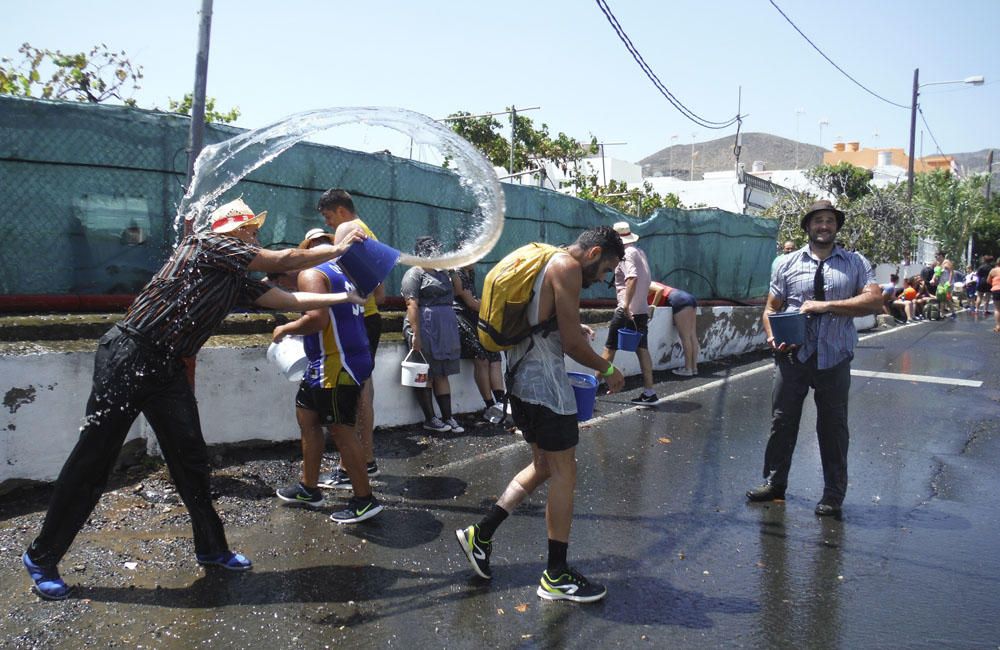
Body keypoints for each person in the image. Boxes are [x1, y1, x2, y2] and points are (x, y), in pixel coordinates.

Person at [22, 198, 368, 600]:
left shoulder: (232, 275)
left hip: (167, 367)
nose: (255, 236)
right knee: (94, 460)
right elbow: (284, 259)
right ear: (231, 230)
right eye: (250, 230)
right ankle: (42, 556)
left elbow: (287, 301)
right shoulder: (207, 244)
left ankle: (212, 548)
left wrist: (342, 299)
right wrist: (339, 249)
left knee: (191, 461)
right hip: (129, 355)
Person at [455, 226, 625, 604]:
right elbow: (572, 345)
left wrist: (568, 326)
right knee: (565, 471)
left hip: (521, 381)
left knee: (545, 466)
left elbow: (541, 318)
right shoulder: (566, 267)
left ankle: (480, 535)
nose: (602, 279)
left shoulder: (546, 256)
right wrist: (609, 370)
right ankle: (556, 575)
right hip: (546, 388)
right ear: (595, 252)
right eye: (606, 268)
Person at [746, 199, 881, 517]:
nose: (824, 226)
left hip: (834, 357)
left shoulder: (855, 262)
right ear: (807, 226)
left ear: (836, 227)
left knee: (833, 427)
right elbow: (771, 309)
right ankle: (774, 483)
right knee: (782, 422)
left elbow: (874, 300)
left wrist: (825, 306)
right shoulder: (786, 263)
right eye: (818, 220)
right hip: (792, 357)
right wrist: (772, 336)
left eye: (830, 221)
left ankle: (833, 494)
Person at [272, 234, 383, 524]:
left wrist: (286, 328)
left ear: (285, 273)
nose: (284, 290)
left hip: (338, 363)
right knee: (307, 416)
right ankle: (309, 488)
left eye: (281, 284)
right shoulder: (337, 268)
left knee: (341, 429)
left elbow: (318, 319)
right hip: (327, 360)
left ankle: (364, 500)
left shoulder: (311, 275)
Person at [314, 190, 385, 490]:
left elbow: (340, 276)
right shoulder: (370, 231)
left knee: (350, 392)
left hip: (356, 318)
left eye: (329, 218)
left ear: (341, 211)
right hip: (371, 317)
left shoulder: (347, 230)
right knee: (363, 389)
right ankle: (365, 460)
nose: (330, 226)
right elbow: (380, 292)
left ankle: (351, 467)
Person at [402, 236, 464, 433]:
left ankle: (448, 417)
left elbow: (458, 290)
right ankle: (431, 418)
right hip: (424, 325)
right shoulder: (414, 273)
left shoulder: (442, 273)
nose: (436, 253)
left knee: (442, 372)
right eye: (432, 250)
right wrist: (416, 334)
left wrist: (452, 268)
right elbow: (411, 304)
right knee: (426, 372)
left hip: (444, 327)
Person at [600, 222, 656, 404]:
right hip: (641, 310)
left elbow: (632, 278)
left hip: (627, 310)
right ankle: (649, 392)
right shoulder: (639, 252)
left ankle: (590, 392)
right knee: (642, 350)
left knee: (609, 350)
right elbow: (646, 281)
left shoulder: (625, 254)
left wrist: (625, 305)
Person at [451, 263, 506, 423]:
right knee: (481, 358)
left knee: (495, 356)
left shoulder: (470, 273)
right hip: (460, 319)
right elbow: (470, 303)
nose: (476, 261)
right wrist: (495, 309)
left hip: (476, 318)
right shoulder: (456, 273)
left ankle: (501, 401)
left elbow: (475, 302)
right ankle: (489, 405)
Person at [648, 281, 700, 376]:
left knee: (685, 337)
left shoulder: (643, 283)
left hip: (679, 300)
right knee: (692, 335)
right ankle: (694, 368)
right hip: (687, 298)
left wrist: (653, 306)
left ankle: (688, 369)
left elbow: (660, 290)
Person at [989, 258, 1000, 333]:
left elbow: (988, 281)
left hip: (996, 290)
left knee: (997, 309)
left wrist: (994, 285)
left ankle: (998, 326)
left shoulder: (993, 270)